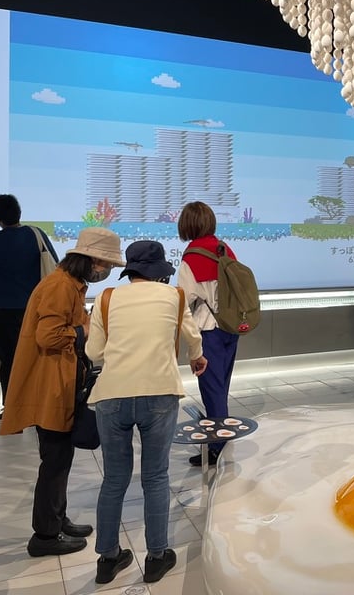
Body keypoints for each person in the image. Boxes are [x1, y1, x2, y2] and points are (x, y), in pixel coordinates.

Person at [86, 241, 207, 584]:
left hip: (112, 397)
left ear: (130, 270)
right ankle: (157, 557)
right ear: (159, 271)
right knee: (155, 477)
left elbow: (94, 353)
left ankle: (108, 559)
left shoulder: (107, 298)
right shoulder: (174, 296)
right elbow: (192, 338)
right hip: (159, 393)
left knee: (114, 479)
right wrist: (197, 358)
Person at [0, 227, 125, 557]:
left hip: (59, 381)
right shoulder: (59, 286)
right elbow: (49, 336)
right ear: (93, 260)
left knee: (60, 458)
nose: (106, 271)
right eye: (106, 264)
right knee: (54, 461)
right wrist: (84, 330)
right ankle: (44, 536)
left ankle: (57, 518)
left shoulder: (68, 283)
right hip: (50, 386)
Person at [0, 194, 59, 421]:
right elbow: (54, 260)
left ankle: (13, 407)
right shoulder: (36, 234)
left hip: (3, 309)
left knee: (9, 358)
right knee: (37, 355)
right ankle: (39, 404)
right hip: (36, 307)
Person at [177, 201, 242, 466]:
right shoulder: (225, 249)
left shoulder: (191, 258)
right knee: (221, 387)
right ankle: (220, 438)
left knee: (212, 391)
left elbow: (184, 301)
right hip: (231, 327)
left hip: (208, 331)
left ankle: (217, 446)